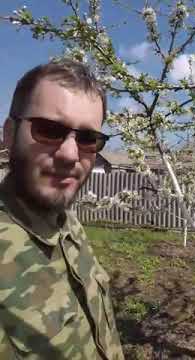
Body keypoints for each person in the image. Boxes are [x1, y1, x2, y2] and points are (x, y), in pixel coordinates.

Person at [0, 59, 124, 359]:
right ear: (9, 133)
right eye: (48, 130)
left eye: (87, 138)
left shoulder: (68, 225)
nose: (70, 154)